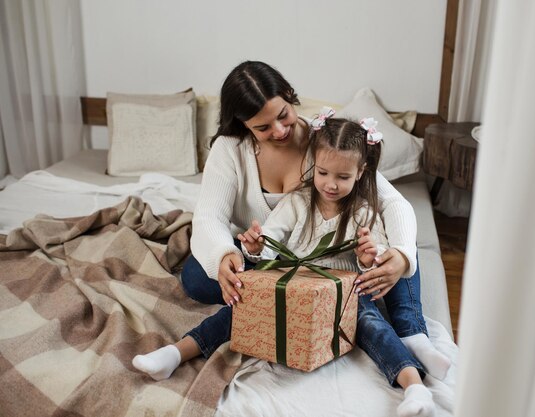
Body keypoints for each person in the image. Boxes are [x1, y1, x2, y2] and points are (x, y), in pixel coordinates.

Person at [132, 111, 449, 417]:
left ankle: (415, 387)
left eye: (343, 177)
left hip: (344, 292)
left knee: (374, 328)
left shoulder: (364, 211)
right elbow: (272, 240)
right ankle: (175, 354)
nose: (330, 184)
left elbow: (375, 258)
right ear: (314, 162)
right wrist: (256, 246)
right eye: (323, 173)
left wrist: (369, 256)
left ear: (361, 172)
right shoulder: (298, 202)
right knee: (238, 311)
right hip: (297, 281)